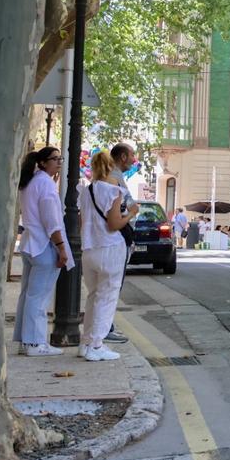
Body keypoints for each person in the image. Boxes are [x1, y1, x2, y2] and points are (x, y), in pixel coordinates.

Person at [78, 151, 138, 361]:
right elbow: (114, 225)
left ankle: (86, 342)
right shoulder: (114, 190)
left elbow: (81, 221)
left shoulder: (86, 191)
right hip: (110, 249)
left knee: (93, 296)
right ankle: (96, 345)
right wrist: (130, 214)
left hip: (89, 249)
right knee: (107, 297)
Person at [14, 147, 73, 356]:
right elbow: (52, 222)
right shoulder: (46, 185)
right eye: (54, 159)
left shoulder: (29, 182)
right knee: (39, 297)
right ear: (43, 163)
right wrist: (61, 249)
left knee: (28, 295)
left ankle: (26, 341)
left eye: (60, 158)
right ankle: (35, 343)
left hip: (31, 245)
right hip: (44, 246)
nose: (59, 162)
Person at [106, 142, 137, 345]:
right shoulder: (114, 181)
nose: (134, 159)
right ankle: (105, 328)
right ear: (123, 157)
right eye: (132, 155)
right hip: (116, 240)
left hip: (110, 241)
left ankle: (105, 327)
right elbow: (122, 212)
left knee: (106, 290)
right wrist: (133, 212)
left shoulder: (114, 178)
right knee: (110, 289)